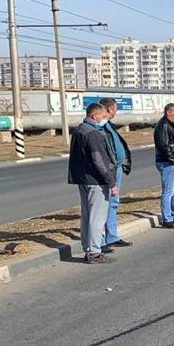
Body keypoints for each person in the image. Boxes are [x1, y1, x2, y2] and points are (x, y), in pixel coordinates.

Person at [67, 102, 118, 264]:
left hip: (83, 179)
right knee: (97, 217)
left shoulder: (79, 131)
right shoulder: (93, 133)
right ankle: (95, 252)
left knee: (87, 216)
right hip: (96, 180)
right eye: (103, 117)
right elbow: (99, 160)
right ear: (94, 116)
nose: (104, 120)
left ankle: (88, 248)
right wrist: (111, 182)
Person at [100, 98, 133, 250]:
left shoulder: (109, 125)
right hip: (108, 170)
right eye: (115, 109)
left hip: (117, 168)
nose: (116, 112)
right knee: (103, 205)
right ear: (111, 109)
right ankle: (99, 241)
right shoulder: (99, 126)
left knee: (113, 203)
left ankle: (111, 236)